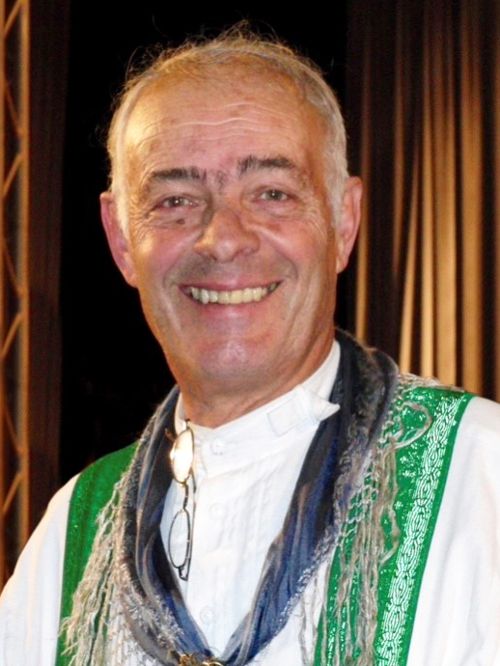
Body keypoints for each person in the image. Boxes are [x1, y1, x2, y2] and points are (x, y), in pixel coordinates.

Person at [1, 28, 500, 666]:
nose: (224, 239)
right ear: (122, 242)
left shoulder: (480, 476)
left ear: (343, 221)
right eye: (175, 200)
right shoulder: (71, 535)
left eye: (272, 194)